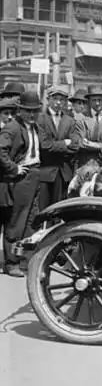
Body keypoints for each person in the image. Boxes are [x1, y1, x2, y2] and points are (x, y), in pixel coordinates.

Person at [0, 92, 42, 277]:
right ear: (20, 110)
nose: (32, 115)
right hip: (20, 179)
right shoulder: (12, 127)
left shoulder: (34, 126)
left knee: (31, 221)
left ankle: (24, 259)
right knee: (16, 222)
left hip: (34, 175)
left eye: (35, 111)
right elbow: (1, 151)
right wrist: (13, 169)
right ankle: (11, 263)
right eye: (28, 111)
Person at [37, 85, 80, 209]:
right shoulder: (40, 119)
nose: (58, 103)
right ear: (48, 99)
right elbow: (44, 145)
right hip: (45, 171)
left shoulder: (69, 120)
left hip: (63, 171)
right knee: (42, 208)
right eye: (55, 99)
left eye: (62, 100)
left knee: (58, 209)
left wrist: (57, 146)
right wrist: (64, 143)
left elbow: (75, 145)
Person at [0, 98, 16, 269]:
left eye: (12, 114)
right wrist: (14, 167)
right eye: (5, 113)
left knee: (10, 223)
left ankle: (11, 262)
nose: (9, 117)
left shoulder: (12, 132)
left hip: (8, 184)